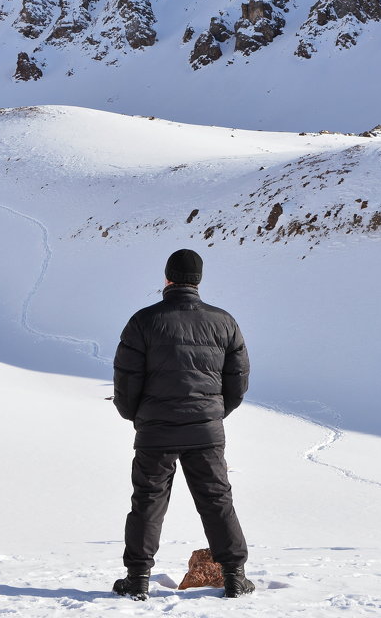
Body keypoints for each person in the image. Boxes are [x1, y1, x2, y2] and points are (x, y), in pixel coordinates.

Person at [111, 248, 254, 600]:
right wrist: (213, 414)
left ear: (167, 278)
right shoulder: (224, 322)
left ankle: (138, 578)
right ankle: (234, 576)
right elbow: (237, 381)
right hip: (205, 429)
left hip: (155, 429)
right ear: (199, 281)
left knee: (147, 500)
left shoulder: (143, 321)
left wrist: (137, 416)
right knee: (217, 500)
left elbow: (126, 379)